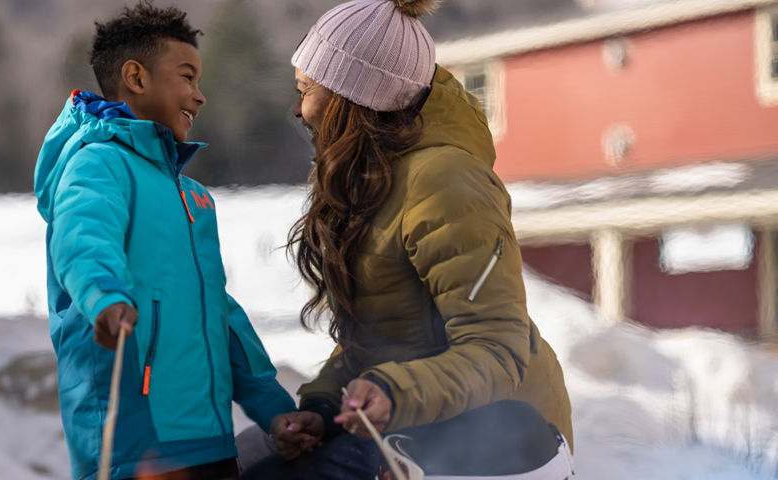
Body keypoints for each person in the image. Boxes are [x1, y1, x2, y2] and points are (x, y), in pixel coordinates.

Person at [240, 0, 573, 478]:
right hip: (411, 414)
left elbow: (497, 347)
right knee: (247, 458)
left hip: (499, 434)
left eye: (306, 91)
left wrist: (394, 391)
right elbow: (386, 333)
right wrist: (321, 403)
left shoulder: (444, 181)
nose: (298, 109)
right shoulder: (372, 179)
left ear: (353, 97)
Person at [33, 3, 295, 479]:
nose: (200, 96)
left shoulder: (190, 195)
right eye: (188, 77)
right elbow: (82, 240)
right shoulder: (98, 165)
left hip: (206, 439)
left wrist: (274, 407)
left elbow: (215, 310)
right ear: (136, 77)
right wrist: (105, 297)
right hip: (134, 444)